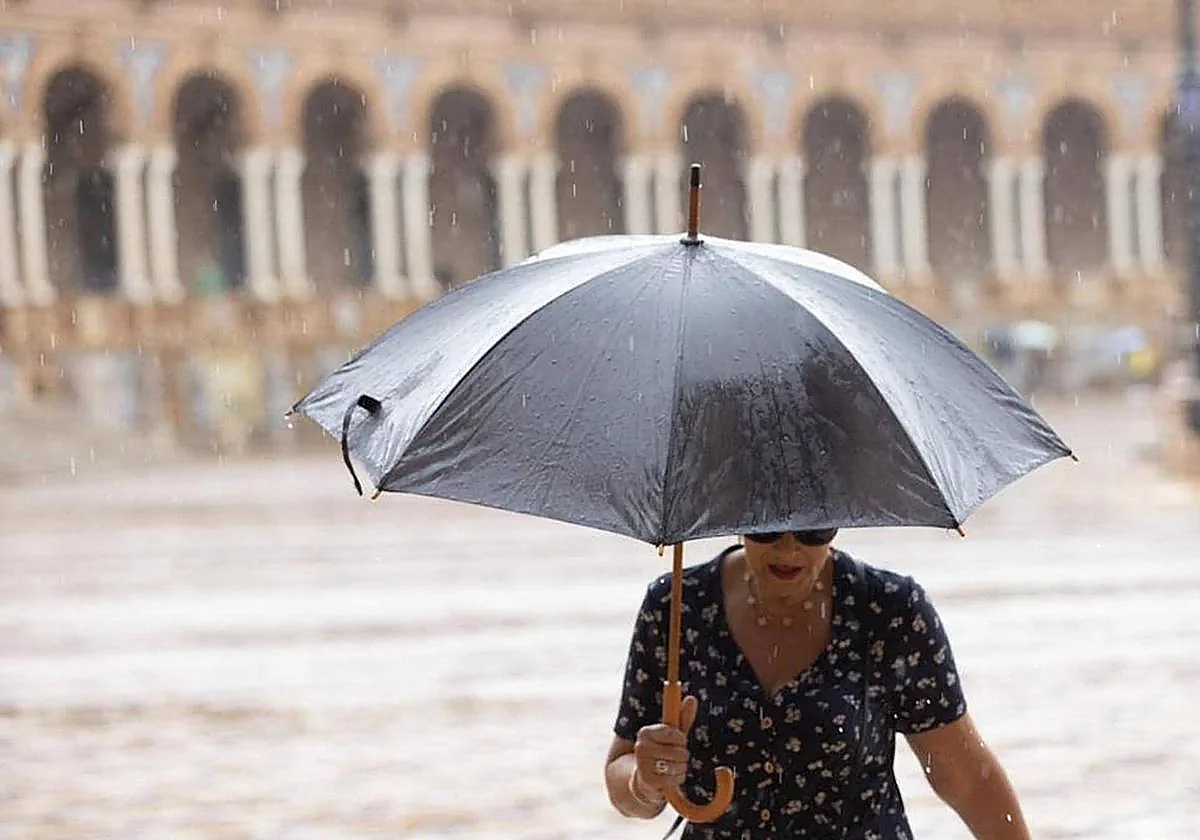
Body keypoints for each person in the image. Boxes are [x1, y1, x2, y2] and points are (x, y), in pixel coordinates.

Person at [604, 530, 1031, 839]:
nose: (789, 547)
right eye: (767, 526)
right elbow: (625, 787)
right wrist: (647, 780)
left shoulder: (890, 609)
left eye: (813, 528)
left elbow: (966, 779)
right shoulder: (676, 605)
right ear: (734, 511)